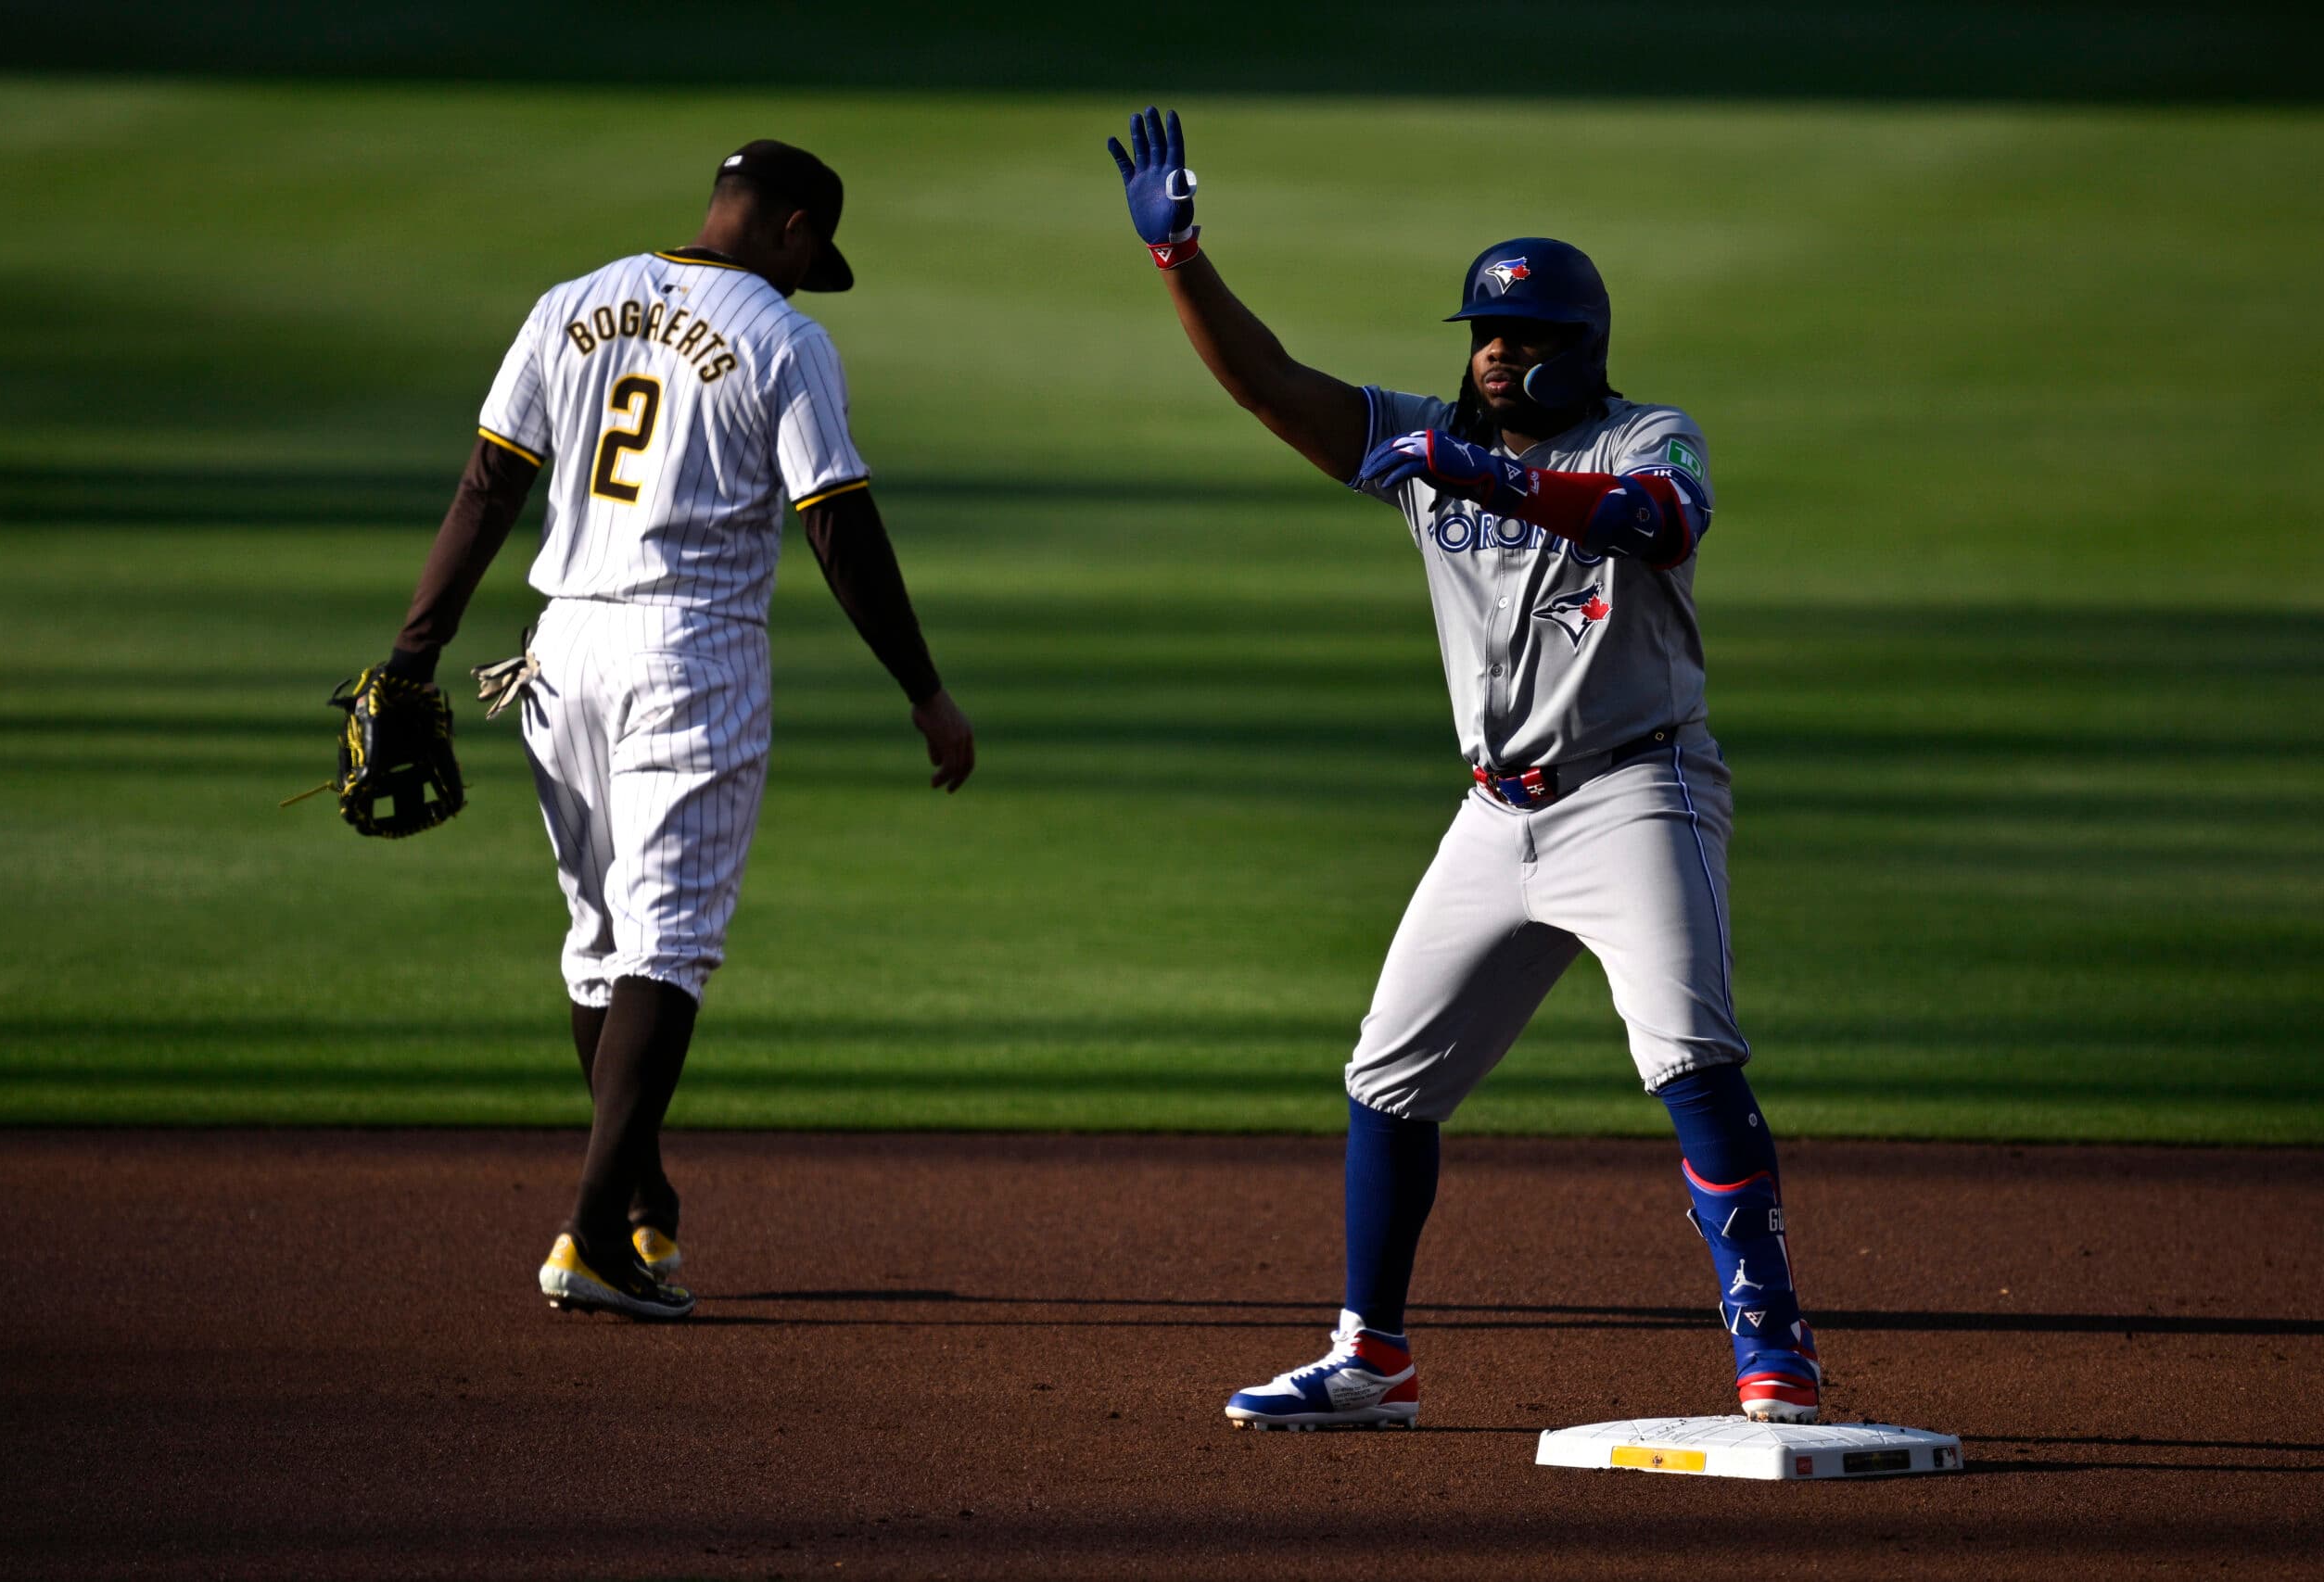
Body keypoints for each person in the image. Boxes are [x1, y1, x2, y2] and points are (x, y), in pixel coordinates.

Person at [1107, 108, 1819, 1427]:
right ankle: (1371, 1353)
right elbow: (1272, 384)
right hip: (1495, 814)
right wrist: (1182, 261)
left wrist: (1478, 473)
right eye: (1485, 334)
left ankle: (1774, 1350)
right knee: (1389, 1076)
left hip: (1636, 795)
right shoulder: (1425, 442)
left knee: (1689, 1057)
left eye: (1521, 337)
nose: (1494, 355)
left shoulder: (1645, 435)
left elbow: (1652, 526)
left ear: (1578, 349)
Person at [381, 139, 974, 1320]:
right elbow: (838, 527)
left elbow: (485, 488)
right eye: (814, 257)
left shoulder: (570, 302)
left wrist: (411, 653)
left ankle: (638, 1191)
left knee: (600, 940)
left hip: (557, 648)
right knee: (667, 945)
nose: (810, 280)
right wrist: (925, 689)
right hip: (688, 653)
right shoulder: (782, 338)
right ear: (794, 227)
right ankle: (594, 1237)